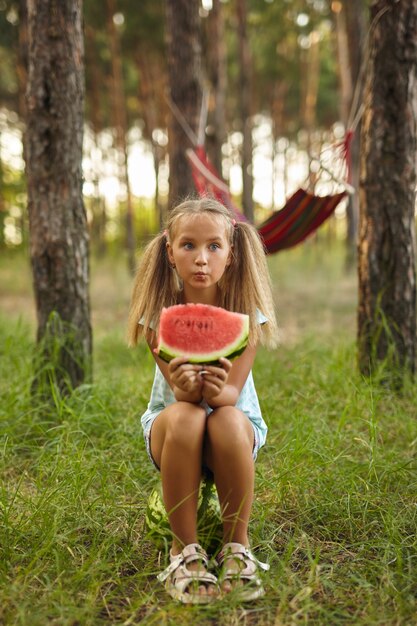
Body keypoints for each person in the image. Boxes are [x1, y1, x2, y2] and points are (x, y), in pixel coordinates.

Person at [128, 197, 278, 604]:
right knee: (187, 416)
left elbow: (230, 396)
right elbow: (182, 397)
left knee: (224, 418)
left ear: (231, 255)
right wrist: (186, 385)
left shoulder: (247, 315)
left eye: (214, 246)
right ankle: (184, 551)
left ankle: (237, 546)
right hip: (173, 428)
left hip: (234, 429)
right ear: (170, 252)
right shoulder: (158, 320)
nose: (201, 258)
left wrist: (218, 388)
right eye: (188, 246)